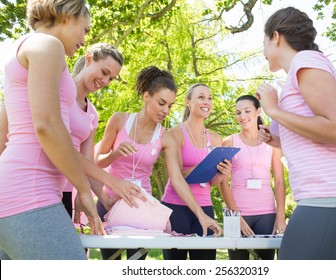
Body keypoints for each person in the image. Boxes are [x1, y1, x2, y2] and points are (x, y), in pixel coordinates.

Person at [255, 7, 336, 260]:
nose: (262, 52)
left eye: (263, 43)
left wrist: (273, 110)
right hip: (335, 201)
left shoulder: (306, 62)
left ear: (276, 37)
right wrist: (277, 139)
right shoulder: (299, 71)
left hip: (329, 199)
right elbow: (317, 134)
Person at [0, 0, 103, 260]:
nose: (84, 38)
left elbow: (7, 124)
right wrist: (82, 188)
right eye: (85, 29)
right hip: (28, 194)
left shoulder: (24, 48)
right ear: (68, 15)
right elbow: (46, 125)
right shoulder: (48, 45)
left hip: (16, 192)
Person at [95, 68, 223, 260]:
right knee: (110, 264)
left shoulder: (166, 136)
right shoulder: (120, 120)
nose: (165, 110)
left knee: (134, 268)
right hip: (110, 203)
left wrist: (201, 214)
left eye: (170, 106)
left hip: (142, 210)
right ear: (147, 96)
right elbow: (94, 162)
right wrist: (114, 155)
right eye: (161, 103)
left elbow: (178, 179)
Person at [161, 83, 230, 260]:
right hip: (176, 207)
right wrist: (204, 166)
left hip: (205, 206)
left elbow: (212, 182)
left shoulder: (216, 138)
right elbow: (176, 176)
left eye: (209, 98)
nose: (206, 102)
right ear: (188, 102)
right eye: (200, 97)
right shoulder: (175, 134)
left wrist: (222, 172)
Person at [219, 94, 286, 260]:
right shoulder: (229, 142)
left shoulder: (272, 142)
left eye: (247, 111)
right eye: (238, 112)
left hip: (267, 213)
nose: (242, 116)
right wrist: (236, 216)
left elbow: (279, 181)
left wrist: (280, 216)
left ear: (258, 111)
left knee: (265, 263)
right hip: (238, 212)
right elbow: (223, 183)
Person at [62, 43, 125, 219]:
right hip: (40, 184)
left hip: (67, 189)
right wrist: (113, 181)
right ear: (89, 59)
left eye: (111, 78)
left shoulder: (92, 114)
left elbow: (88, 163)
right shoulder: (59, 90)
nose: (105, 82)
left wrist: (105, 199)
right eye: (104, 73)